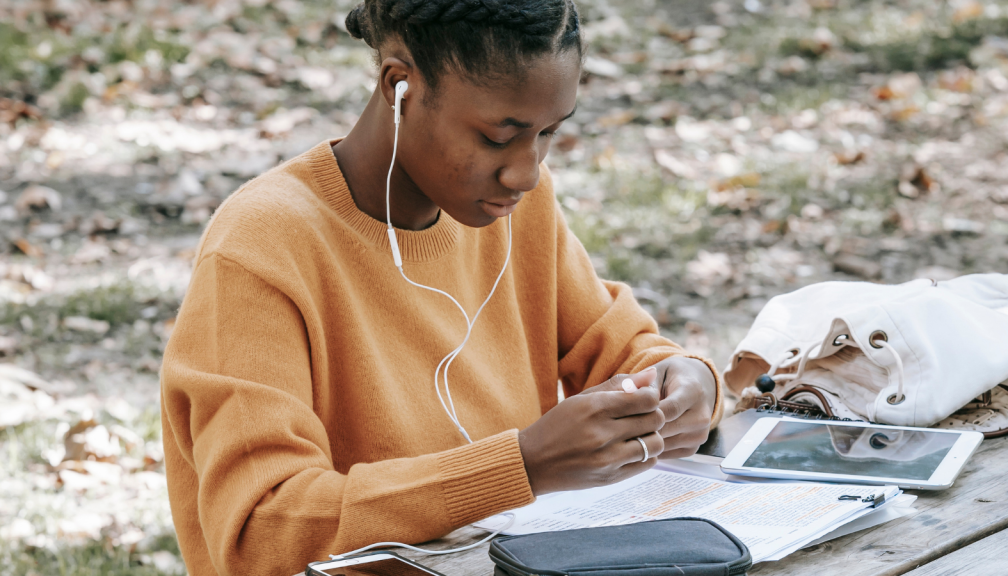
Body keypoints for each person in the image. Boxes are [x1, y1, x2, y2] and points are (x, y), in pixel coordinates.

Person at [160, 1, 723, 574]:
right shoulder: (261, 247)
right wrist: (522, 467)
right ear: (399, 86)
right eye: (497, 136)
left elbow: (618, 347)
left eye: (549, 132)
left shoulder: (511, 208)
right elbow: (264, 529)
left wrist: (685, 380)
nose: (525, 172)